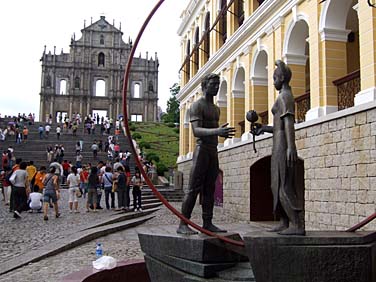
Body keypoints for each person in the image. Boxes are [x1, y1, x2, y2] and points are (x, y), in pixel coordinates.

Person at [177, 73, 236, 235]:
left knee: (210, 188)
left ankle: (207, 222)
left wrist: (220, 132)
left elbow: (210, 130)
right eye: (213, 84)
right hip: (201, 150)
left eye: (218, 84)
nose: (216, 87)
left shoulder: (216, 109)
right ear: (205, 86)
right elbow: (196, 131)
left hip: (213, 150)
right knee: (193, 188)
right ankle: (183, 223)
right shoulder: (197, 106)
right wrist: (217, 130)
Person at [252, 60, 305, 236]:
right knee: (276, 184)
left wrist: (291, 147)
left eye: (274, 78)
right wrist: (263, 128)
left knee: (283, 184)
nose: (273, 81)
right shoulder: (282, 95)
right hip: (278, 140)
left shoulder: (285, 97)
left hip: (283, 143)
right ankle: (284, 221)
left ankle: (296, 224)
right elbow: (278, 126)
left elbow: (289, 122)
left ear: (282, 78)